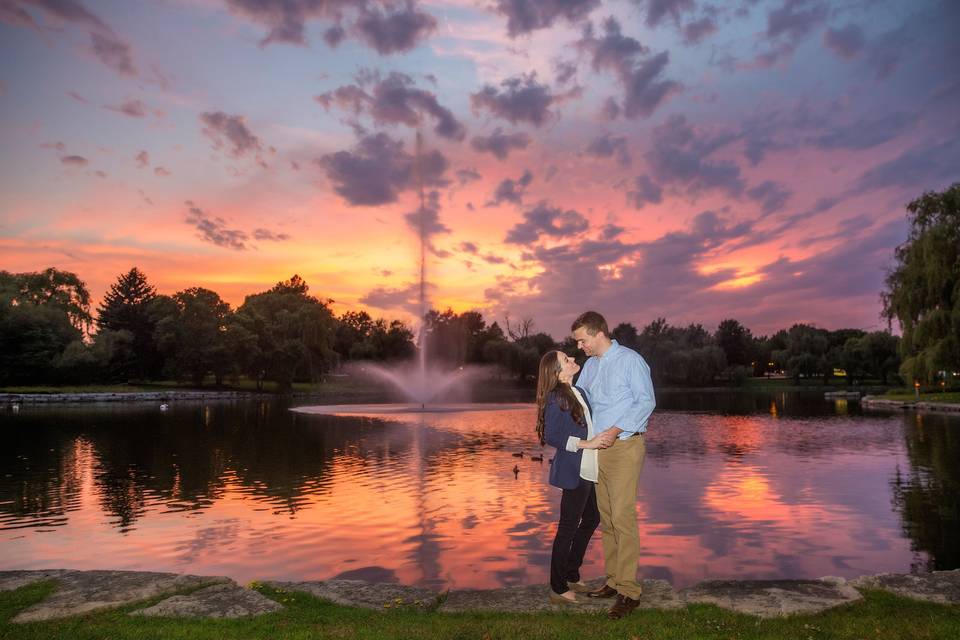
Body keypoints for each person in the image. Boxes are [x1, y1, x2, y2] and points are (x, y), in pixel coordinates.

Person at [571, 311, 655, 619]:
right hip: (597, 451)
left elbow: (645, 401)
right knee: (606, 519)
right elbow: (582, 403)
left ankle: (630, 592)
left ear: (597, 334)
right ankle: (613, 581)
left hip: (624, 448)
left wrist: (615, 430)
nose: (580, 347)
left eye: (582, 340)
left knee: (623, 518)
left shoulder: (631, 361)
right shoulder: (591, 367)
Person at [535, 349, 614, 605]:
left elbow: (589, 422)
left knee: (592, 517)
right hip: (574, 468)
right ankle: (557, 588)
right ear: (557, 372)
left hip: (589, 467)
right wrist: (586, 444)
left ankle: (570, 573)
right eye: (566, 360)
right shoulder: (557, 396)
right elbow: (552, 436)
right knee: (568, 527)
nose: (572, 360)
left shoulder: (576, 391)